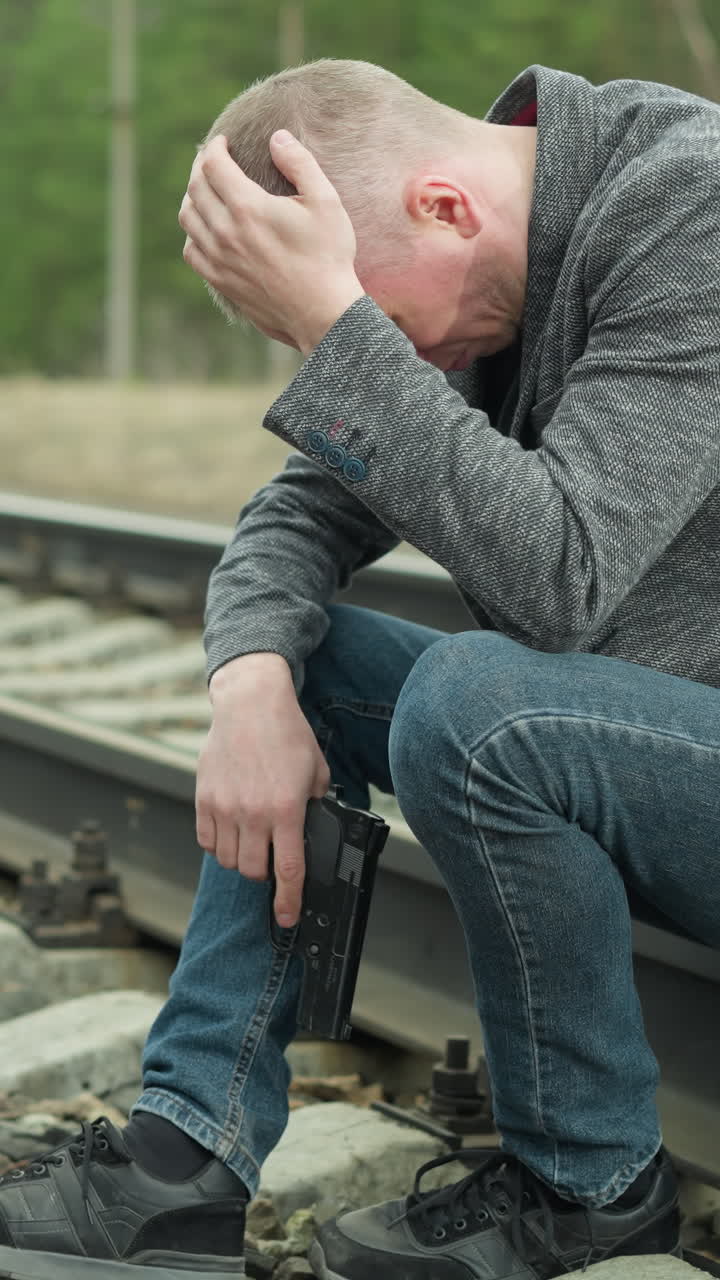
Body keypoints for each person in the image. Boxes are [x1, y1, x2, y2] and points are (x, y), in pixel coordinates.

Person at [0, 54, 719, 1280]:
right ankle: (184, 1163)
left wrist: (345, 334)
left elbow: (563, 574)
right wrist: (248, 686)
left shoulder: (691, 211)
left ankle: (591, 1186)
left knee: (476, 704)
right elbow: (298, 518)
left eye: (369, 324)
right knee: (306, 655)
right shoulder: (489, 273)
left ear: (446, 206)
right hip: (663, 748)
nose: (381, 356)